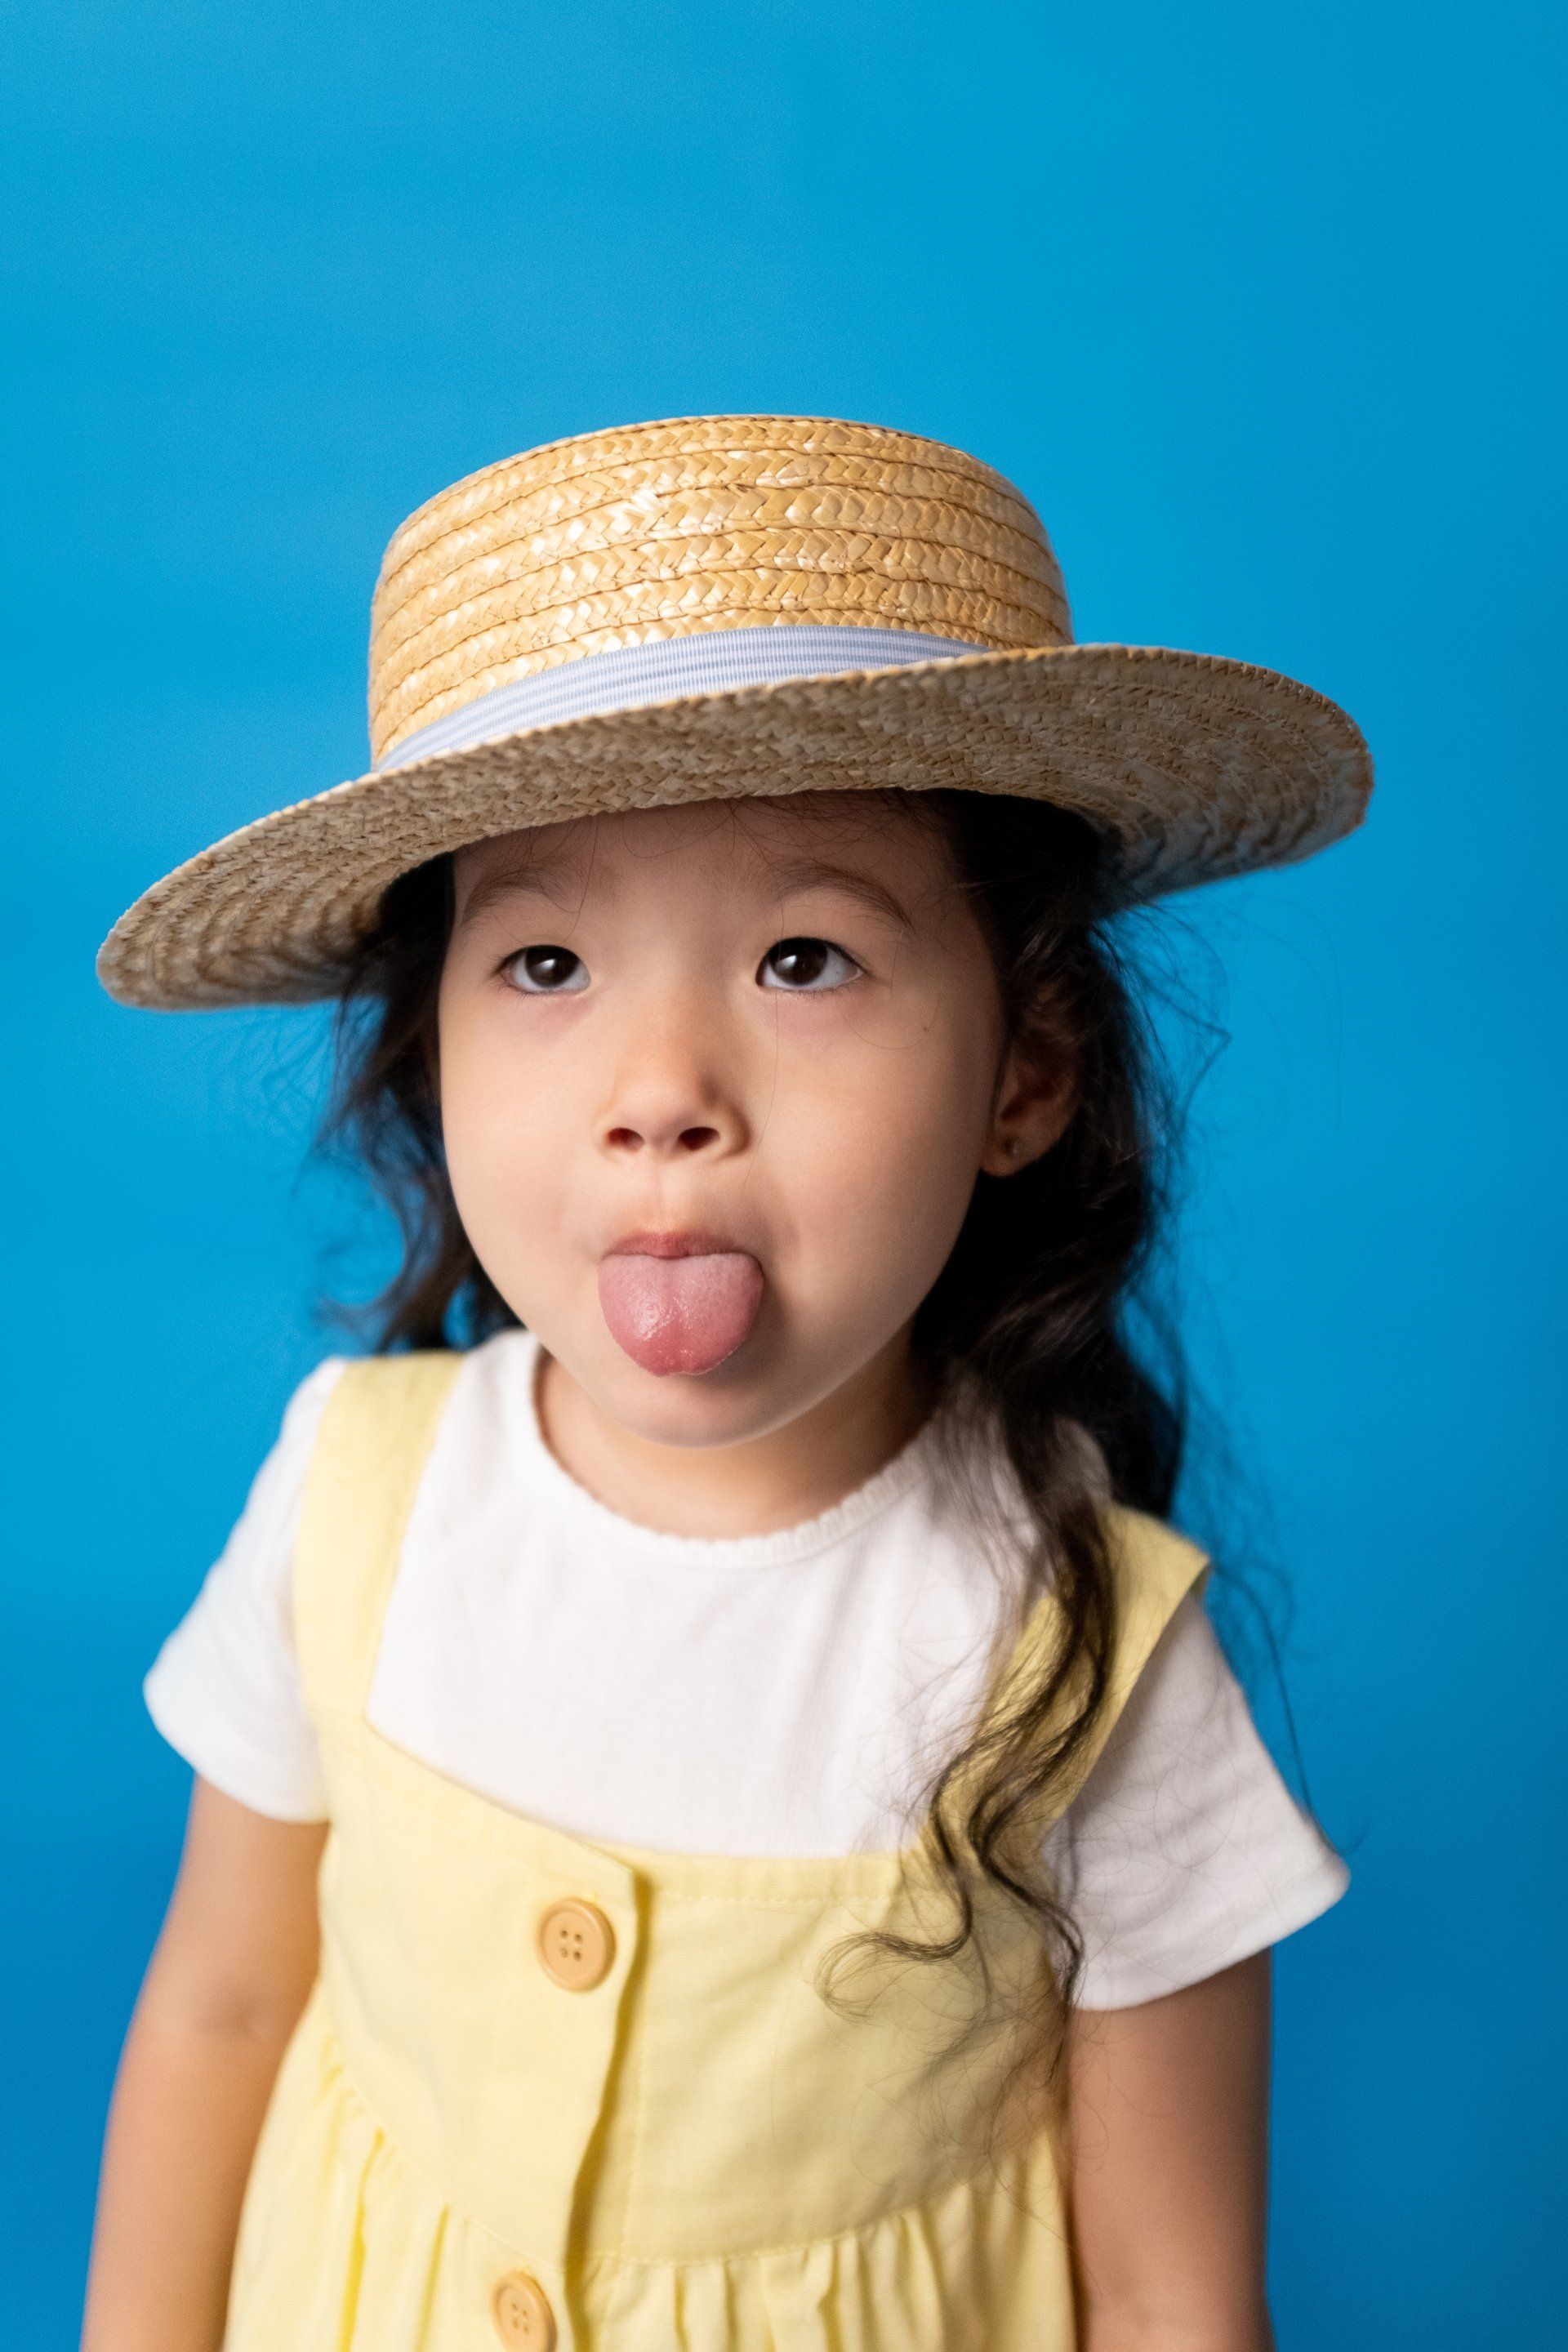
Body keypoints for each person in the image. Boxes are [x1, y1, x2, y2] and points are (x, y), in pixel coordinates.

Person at [82, 415, 1370, 2352]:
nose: (661, 1093)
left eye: (801, 956)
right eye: (541, 967)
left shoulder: (1090, 1664)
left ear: (1025, 1071)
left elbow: (1172, 2288)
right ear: (427, 1063)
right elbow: (223, 2010)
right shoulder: (355, 1499)